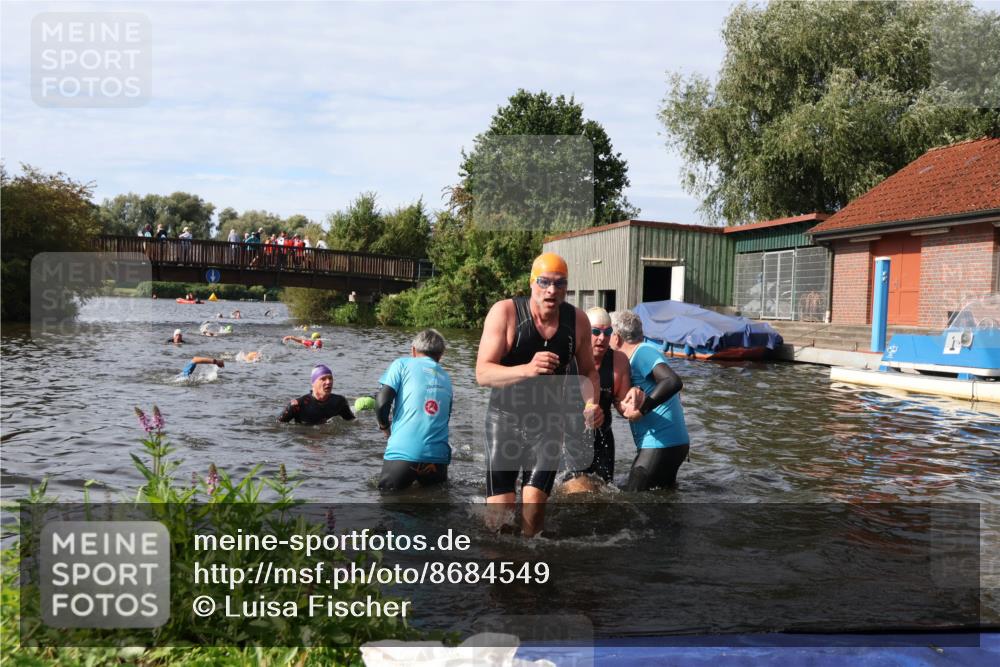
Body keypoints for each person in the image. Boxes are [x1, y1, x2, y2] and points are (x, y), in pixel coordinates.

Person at [475, 252, 603, 537]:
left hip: (548, 424)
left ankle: (532, 571)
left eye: (560, 284)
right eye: (544, 282)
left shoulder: (578, 321)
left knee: (533, 508)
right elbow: (483, 373)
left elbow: (590, 372)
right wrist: (527, 369)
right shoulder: (505, 313)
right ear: (532, 283)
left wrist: (591, 403)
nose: (551, 291)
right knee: (500, 518)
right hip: (504, 419)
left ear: (566, 288)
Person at [560, 307, 643, 493]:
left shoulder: (619, 361)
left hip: (602, 440)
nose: (602, 338)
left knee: (604, 495)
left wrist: (636, 399)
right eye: (596, 332)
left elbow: (623, 406)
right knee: (576, 491)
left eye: (607, 333)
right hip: (568, 438)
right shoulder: (567, 358)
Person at [609, 310, 690, 492]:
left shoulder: (642, 352)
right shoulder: (634, 357)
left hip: (661, 443)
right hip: (670, 443)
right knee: (662, 503)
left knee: (634, 500)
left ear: (616, 337)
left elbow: (672, 381)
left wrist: (642, 410)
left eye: (607, 333)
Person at [375, 329, 454, 492]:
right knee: (435, 512)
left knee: (388, 508)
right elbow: (446, 417)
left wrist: (385, 428)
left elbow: (382, 403)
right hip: (438, 458)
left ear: (413, 350)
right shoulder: (446, 377)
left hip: (403, 454)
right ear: (440, 355)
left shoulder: (401, 364)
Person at [278, 365, 355, 425]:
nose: (328, 382)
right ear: (313, 383)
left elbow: (353, 423)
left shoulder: (339, 402)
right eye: (323, 379)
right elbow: (277, 426)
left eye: (330, 378)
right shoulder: (297, 405)